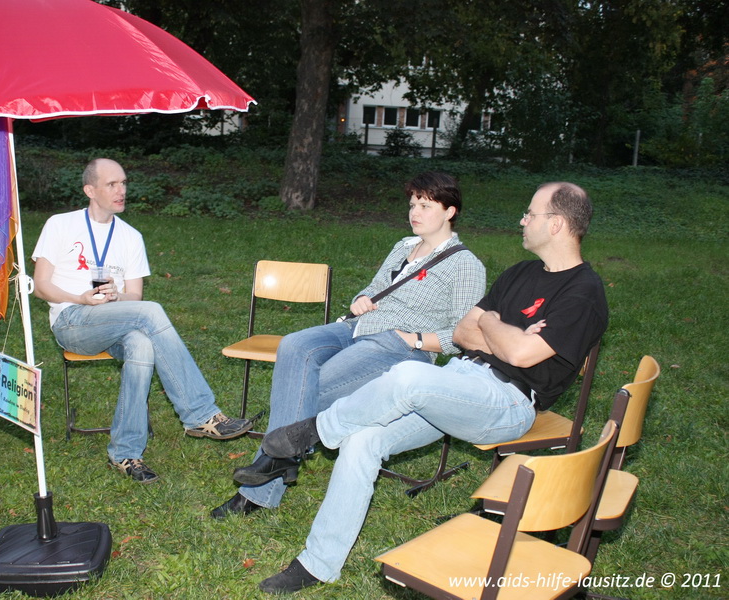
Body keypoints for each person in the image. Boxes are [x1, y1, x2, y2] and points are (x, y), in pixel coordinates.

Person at [252, 182, 609, 594]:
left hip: (507, 403)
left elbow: (521, 355)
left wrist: (491, 324)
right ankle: (317, 563)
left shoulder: (584, 293)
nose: (522, 220)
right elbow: (462, 332)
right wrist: (500, 329)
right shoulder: (520, 273)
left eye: (530, 213)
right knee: (362, 441)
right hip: (460, 379)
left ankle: (310, 433)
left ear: (557, 224)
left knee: (409, 376)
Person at [211, 171, 486, 518]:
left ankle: (260, 485)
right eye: (412, 204)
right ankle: (283, 459)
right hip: (357, 327)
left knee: (311, 386)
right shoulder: (404, 246)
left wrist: (413, 338)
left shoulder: (465, 265)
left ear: (450, 211)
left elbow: (462, 336)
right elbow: (373, 288)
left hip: (401, 346)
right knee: (294, 346)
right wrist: (360, 299)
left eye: (425, 206)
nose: (415, 212)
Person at [31, 158, 251, 484]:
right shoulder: (60, 224)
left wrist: (116, 296)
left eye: (123, 183)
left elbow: (134, 297)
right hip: (72, 320)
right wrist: (82, 298)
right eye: (111, 184)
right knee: (151, 312)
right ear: (90, 190)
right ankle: (200, 414)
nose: (121, 190)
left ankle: (125, 453)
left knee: (142, 343)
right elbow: (40, 286)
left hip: (115, 320)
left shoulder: (130, 236)